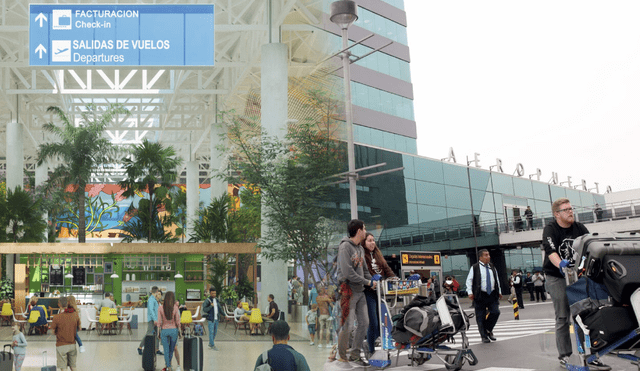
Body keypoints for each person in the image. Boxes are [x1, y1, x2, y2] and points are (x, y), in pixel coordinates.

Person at [543, 198, 610, 370]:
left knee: (585, 313)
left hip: (577, 275)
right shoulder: (551, 229)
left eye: (571, 209)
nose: (570, 212)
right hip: (556, 276)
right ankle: (565, 355)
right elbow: (551, 252)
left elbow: (591, 245)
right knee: (563, 316)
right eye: (566, 210)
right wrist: (561, 265)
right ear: (557, 214)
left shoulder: (580, 228)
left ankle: (593, 354)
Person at [337, 219, 377, 365]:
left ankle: (355, 353)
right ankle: (341, 354)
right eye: (364, 229)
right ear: (359, 231)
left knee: (364, 323)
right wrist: (368, 282)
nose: (366, 231)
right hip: (348, 291)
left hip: (360, 292)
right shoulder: (345, 247)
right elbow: (348, 273)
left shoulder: (360, 249)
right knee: (347, 325)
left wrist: (373, 281)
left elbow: (365, 271)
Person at [362, 231, 396, 355]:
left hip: (380, 292)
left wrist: (393, 278)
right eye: (369, 240)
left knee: (383, 323)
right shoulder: (362, 255)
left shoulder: (378, 255)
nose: (372, 243)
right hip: (368, 293)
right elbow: (364, 273)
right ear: (364, 242)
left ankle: (369, 343)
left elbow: (387, 269)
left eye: (373, 240)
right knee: (374, 323)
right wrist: (371, 281)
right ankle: (370, 349)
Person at [465, 249, 501, 343]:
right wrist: (469, 292)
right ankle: (484, 336)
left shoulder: (492, 266)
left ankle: (488, 329)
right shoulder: (475, 267)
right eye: (486, 255)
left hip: (492, 293)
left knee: (495, 312)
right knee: (480, 316)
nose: (488, 256)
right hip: (480, 294)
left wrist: (499, 291)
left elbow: (496, 279)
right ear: (480, 257)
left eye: (488, 255)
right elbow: (469, 280)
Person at [50, 296, 81, 371]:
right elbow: (79, 328)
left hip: (61, 345)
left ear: (59, 304)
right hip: (72, 345)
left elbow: (53, 331)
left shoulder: (56, 317)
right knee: (73, 366)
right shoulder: (75, 315)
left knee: (63, 367)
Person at [157, 291, 182, 371]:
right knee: (171, 350)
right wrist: (180, 331)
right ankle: (170, 366)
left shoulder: (160, 308)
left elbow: (159, 322)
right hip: (174, 331)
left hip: (164, 331)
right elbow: (178, 321)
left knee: (166, 350)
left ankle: (168, 367)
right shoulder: (175, 307)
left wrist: (158, 332)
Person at [138, 286, 163, 355]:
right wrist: (155, 319)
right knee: (149, 334)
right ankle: (140, 347)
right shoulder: (151, 299)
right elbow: (151, 310)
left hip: (156, 320)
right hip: (152, 320)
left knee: (157, 335)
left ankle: (157, 349)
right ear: (157, 292)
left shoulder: (154, 299)